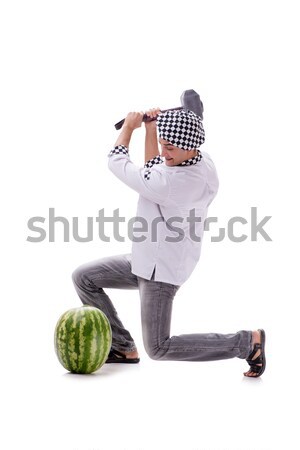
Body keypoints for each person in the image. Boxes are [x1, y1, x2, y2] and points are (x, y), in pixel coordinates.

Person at [72, 107, 266, 378]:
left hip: (160, 272)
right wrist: (152, 129)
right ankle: (122, 346)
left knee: (159, 347)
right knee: (84, 277)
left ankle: (246, 343)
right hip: (145, 256)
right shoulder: (202, 161)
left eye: (170, 147)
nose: (165, 153)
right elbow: (154, 167)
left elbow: (117, 162)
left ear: (189, 146)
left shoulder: (171, 185)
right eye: (163, 145)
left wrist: (129, 128)